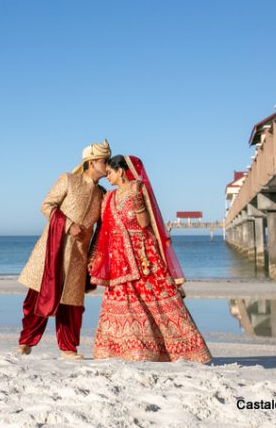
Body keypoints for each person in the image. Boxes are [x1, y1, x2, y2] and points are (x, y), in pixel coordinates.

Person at [88, 155, 211, 363]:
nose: (107, 176)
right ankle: (129, 349)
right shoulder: (108, 197)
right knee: (125, 303)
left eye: (110, 172)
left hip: (143, 255)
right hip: (118, 259)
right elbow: (103, 230)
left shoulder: (137, 188)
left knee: (156, 299)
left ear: (121, 171)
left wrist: (138, 204)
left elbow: (145, 223)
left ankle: (177, 350)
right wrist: (96, 257)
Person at [17, 139, 111, 359]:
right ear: (92, 162)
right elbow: (46, 206)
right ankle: (25, 342)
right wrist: (68, 225)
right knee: (38, 298)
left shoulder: (102, 194)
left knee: (73, 304)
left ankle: (68, 348)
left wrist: (94, 257)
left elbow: (100, 230)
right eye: (104, 161)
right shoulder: (69, 180)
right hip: (52, 251)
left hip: (78, 256)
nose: (107, 166)